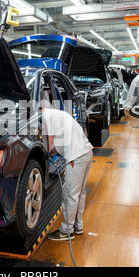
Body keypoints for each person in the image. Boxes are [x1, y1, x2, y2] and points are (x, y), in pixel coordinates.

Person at [39, 99, 93, 241]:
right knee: (79, 193)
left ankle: (66, 231)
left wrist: (44, 154)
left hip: (76, 157)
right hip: (86, 152)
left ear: (39, 110)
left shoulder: (46, 116)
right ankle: (77, 226)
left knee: (70, 194)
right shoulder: (59, 114)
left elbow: (50, 145)